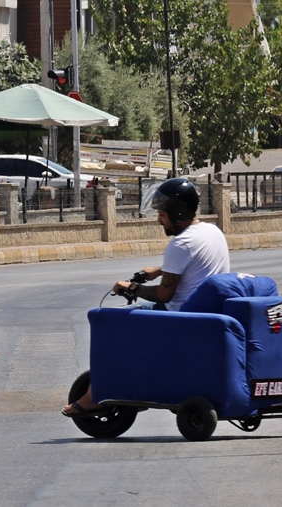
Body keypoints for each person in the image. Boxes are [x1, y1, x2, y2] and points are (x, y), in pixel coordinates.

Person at [62, 177, 229, 417]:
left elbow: (164, 294)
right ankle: (133, 386)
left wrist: (130, 287)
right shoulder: (212, 232)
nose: (159, 219)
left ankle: (93, 398)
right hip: (204, 313)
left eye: (162, 214)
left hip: (178, 317)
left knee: (109, 326)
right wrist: (160, 270)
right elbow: (196, 263)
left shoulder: (180, 244)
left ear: (177, 213)